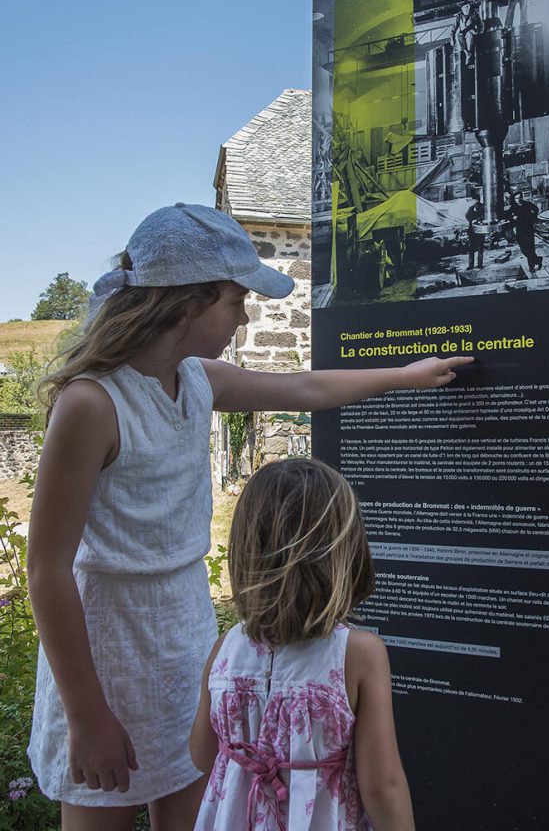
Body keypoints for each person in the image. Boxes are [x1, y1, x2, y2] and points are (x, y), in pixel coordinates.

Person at [26, 203, 470, 831]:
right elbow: (47, 569)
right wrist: (87, 714)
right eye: (236, 300)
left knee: (192, 803)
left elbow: (305, 390)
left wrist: (405, 375)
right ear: (190, 302)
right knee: (103, 803)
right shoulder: (93, 403)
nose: (246, 314)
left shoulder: (198, 379)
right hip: (107, 646)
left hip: (182, 629)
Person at [190, 457, 415, 831]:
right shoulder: (358, 655)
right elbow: (383, 786)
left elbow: (201, 754)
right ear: (343, 553)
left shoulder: (224, 649)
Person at [505, 190, 542, 272]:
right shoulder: (513, 207)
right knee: (523, 249)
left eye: (519, 197)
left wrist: (532, 217)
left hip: (529, 229)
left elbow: (536, 209)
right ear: (514, 199)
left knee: (530, 249)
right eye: (516, 198)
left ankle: (531, 267)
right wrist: (512, 218)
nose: (518, 199)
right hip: (520, 230)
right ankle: (538, 259)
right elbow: (507, 215)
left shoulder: (527, 204)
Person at [450, 1, 482, 65]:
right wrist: (451, 38)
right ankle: (467, 53)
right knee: (458, 36)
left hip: (471, 32)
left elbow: (480, 25)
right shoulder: (459, 16)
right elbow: (453, 28)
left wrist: (477, 31)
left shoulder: (474, 13)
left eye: (468, 6)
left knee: (469, 35)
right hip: (463, 33)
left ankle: (468, 55)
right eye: (466, 7)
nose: (468, 8)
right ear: (462, 8)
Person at [465, 191, 486, 269]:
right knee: (471, 249)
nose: (474, 202)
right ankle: (471, 265)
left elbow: (485, 216)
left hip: (480, 230)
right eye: (473, 200)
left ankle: (480, 264)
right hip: (472, 231)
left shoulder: (483, 207)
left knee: (480, 248)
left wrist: (478, 219)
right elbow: (467, 216)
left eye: (475, 200)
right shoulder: (471, 208)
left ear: (478, 200)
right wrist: (472, 220)